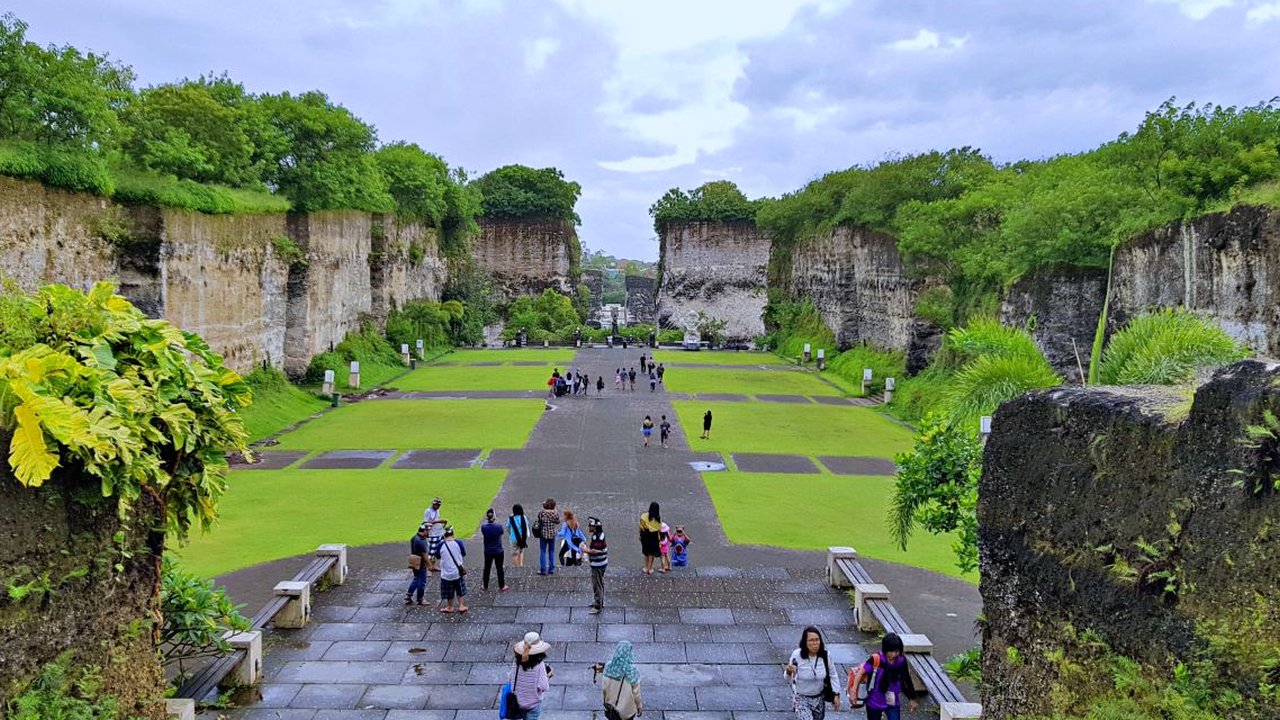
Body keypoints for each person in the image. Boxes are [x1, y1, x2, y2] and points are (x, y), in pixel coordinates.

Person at [847, 633, 919, 719]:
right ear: (886, 650)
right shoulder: (875, 659)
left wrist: (912, 698)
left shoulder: (901, 661)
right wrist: (853, 691)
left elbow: (906, 678)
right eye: (891, 651)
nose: (894, 654)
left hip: (892, 702)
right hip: (874, 701)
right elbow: (860, 673)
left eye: (897, 651)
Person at [786, 626, 840, 720]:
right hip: (801, 697)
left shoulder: (826, 656)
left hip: (819, 698)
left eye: (817, 640)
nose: (814, 643)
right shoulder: (797, 655)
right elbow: (788, 678)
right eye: (811, 640)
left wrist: (836, 694)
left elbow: (833, 674)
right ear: (805, 642)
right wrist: (788, 671)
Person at [511, 631, 554, 720]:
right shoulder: (539, 666)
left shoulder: (516, 664)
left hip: (517, 702)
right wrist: (548, 676)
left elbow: (512, 680)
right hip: (533, 705)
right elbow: (544, 686)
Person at [600, 641, 643, 720]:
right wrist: (639, 706)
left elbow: (604, 687)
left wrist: (606, 700)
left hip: (612, 707)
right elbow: (636, 694)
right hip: (627, 711)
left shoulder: (609, 667)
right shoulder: (632, 671)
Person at [437, 526, 468, 613]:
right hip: (458, 572)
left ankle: (450, 607)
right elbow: (463, 553)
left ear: (444, 535)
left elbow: (437, 556)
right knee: (460, 589)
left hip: (446, 573)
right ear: (453, 534)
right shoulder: (458, 543)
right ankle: (461, 606)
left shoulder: (440, 545)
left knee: (449, 591)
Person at [583, 516, 608, 613]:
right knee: (600, 583)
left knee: (597, 584)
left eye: (590, 525)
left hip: (598, 564)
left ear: (595, 527)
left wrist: (584, 550)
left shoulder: (597, 537)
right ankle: (600, 602)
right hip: (601, 563)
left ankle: (597, 606)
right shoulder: (599, 535)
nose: (589, 527)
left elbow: (595, 551)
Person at [481, 509, 509, 592]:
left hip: (488, 550)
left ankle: (485, 585)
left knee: (487, 568)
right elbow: (501, 532)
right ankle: (502, 585)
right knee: (499, 568)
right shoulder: (499, 527)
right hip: (498, 550)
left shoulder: (484, 527)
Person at [404, 522, 431, 606]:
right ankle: (420, 599)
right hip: (421, 564)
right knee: (422, 582)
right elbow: (425, 555)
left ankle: (409, 595)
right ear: (424, 530)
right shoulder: (422, 541)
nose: (429, 533)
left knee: (416, 579)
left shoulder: (414, 537)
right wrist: (430, 564)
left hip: (414, 561)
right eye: (428, 531)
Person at [536, 498, 561, 575]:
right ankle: (551, 569)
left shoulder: (542, 513)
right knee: (551, 551)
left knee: (543, 551)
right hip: (552, 534)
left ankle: (543, 570)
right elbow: (558, 521)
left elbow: (539, 519)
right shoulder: (555, 513)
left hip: (543, 534)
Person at [421, 497, 446, 572]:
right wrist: (438, 521)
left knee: (436, 551)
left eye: (439, 505)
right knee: (431, 552)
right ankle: (428, 568)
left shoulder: (437, 511)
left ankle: (433, 565)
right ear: (433, 504)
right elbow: (425, 523)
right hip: (432, 534)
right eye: (436, 505)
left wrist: (441, 522)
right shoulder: (428, 511)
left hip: (439, 533)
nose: (438, 506)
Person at [638, 502, 662, 575]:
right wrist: (659, 539)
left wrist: (640, 535)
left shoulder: (644, 516)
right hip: (654, 536)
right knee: (652, 553)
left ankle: (645, 567)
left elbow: (641, 527)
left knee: (646, 552)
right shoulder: (657, 518)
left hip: (645, 535)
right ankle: (650, 568)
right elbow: (659, 529)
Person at [508, 503, 529, 568]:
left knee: (514, 553)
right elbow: (526, 526)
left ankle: (516, 567)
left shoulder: (510, 518)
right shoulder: (524, 517)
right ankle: (521, 565)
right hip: (522, 538)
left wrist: (510, 533)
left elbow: (508, 527)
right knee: (521, 551)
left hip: (513, 537)